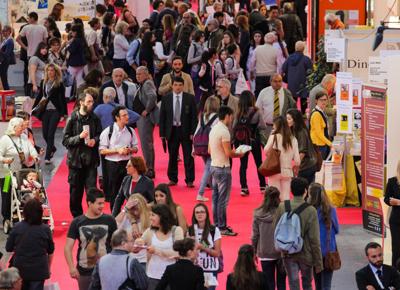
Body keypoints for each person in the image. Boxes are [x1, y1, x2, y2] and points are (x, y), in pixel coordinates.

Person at [275, 177, 323, 290]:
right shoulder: (311, 210)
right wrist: (318, 262)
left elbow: (276, 229)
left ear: (291, 190)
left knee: (293, 283)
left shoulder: (282, 206)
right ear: (306, 191)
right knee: (307, 284)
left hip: (288, 252)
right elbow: (314, 239)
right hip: (306, 254)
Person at [64, 188, 117, 290]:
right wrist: (71, 267)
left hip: (106, 269)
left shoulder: (110, 220)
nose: (102, 206)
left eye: (103, 203)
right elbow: (67, 247)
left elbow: (116, 245)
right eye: (99, 203)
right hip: (84, 271)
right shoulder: (77, 222)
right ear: (89, 203)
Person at [62, 93, 102, 217]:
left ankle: (92, 215)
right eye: (89, 102)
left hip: (91, 161)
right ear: (81, 102)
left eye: (92, 102)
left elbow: (100, 135)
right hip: (75, 162)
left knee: (91, 191)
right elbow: (65, 140)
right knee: (75, 192)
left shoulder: (95, 118)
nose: (91, 104)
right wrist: (79, 137)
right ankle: (77, 217)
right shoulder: (72, 118)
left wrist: (94, 140)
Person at [209, 106, 244, 236]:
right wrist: (239, 153)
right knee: (223, 200)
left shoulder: (213, 129)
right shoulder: (224, 131)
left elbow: (209, 150)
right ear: (228, 116)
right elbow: (229, 152)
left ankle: (217, 224)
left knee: (215, 198)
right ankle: (222, 227)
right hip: (223, 168)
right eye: (231, 116)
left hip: (213, 165)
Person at [6, 199, 54, 290]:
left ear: (25, 212)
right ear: (40, 213)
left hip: (19, 270)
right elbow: (51, 251)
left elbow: (8, 248)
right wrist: (48, 267)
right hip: (39, 270)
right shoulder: (45, 229)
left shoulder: (17, 227)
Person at [159, 76, 198, 187]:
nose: (178, 87)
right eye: (175, 85)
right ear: (172, 85)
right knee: (172, 156)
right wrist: (162, 134)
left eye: (180, 85)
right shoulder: (166, 98)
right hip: (171, 131)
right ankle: (173, 178)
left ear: (183, 86)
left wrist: (193, 132)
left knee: (188, 156)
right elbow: (162, 117)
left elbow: (194, 117)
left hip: (186, 130)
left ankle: (190, 180)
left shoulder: (190, 98)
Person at [0, 118, 38, 225]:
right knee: (6, 194)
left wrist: (34, 155)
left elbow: (31, 148)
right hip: (6, 174)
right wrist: (4, 160)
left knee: (20, 193)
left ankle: (18, 214)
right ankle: (6, 217)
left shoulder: (24, 137)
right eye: (21, 126)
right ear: (14, 127)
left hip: (20, 172)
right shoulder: (5, 139)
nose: (23, 128)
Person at [99, 106, 139, 207]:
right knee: (114, 193)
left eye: (127, 114)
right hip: (113, 165)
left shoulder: (130, 131)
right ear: (117, 117)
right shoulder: (108, 131)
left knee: (129, 191)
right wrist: (117, 150)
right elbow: (102, 150)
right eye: (124, 115)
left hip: (128, 165)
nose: (127, 117)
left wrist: (129, 150)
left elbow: (136, 147)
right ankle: (114, 216)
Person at [141, 204, 184, 290]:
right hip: (152, 276)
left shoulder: (176, 230)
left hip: (171, 277)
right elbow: (140, 242)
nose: (150, 218)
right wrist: (138, 244)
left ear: (162, 216)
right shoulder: (150, 231)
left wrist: (156, 251)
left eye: (153, 215)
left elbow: (179, 253)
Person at [233, 90, 267, 196]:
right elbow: (263, 126)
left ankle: (244, 187)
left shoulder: (238, 113)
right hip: (254, 140)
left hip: (242, 142)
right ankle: (262, 186)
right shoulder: (257, 111)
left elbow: (234, 127)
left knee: (243, 165)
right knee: (258, 163)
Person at [252, 186, 286, 290]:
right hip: (281, 252)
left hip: (265, 252)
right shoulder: (284, 212)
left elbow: (255, 235)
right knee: (282, 283)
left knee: (268, 283)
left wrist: (254, 251)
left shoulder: (258, 213)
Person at [33, 63, 67, 164]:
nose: (50, 72)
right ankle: (52, 148)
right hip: (45, 111)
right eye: (48, 70)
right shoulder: (43, 82)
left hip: (56, 111)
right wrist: (33, 108)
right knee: (44, 134)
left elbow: (63, 99)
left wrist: (64, 113)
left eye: (52, 70)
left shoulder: (59, 83)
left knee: (50, 134)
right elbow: (40, 96)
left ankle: (47, 157)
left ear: (56, 72)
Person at [308, 183, 339, 290]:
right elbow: (337, 229)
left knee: (317, 283)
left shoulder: (308, 210)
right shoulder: (331, 209)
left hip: (313, 250)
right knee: (326, 284)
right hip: (328, 251)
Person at [264, 116, 300, 200]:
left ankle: (276, 213)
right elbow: (297, 161)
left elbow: (265, 150)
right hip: (287, 171)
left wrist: (270, 154)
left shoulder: (274, 136)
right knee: (286, 197)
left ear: (276, 125)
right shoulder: (293, 139)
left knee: (274, 196)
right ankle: (286, 212)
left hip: (274, 170)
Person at [188, 203, 222, 290]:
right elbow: (187, 253)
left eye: (202, 212)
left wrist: (203, 247)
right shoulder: (190, 230)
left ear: (206, 214)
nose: (199, 214)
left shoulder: (214, 230)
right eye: (197, 212)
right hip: (195, 268)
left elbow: (217, 253)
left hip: (210, 269)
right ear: (194, 215)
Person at [194, 96, 220, 201]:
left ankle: (214, 188)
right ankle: (200, 193)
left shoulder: (202, 116)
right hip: (211, 146)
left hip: (201, 146)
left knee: (208, 168)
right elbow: (216, 133)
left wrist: (193, 148)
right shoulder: (217, 118)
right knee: (208, 169)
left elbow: (196, 131)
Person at [256, 73, 296, 138]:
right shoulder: (263, 92)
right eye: (275, 81)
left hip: (282, 127)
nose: (278, 83)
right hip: (267, 127)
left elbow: (292, 110)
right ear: (270, 82)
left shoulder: (287, 93)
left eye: (280, 81)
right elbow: (258, 109)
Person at [135, 66, 159, 179]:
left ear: (146, 74)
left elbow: (153, 96)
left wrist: (147, 110)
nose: (138, 76)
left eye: (140, 74)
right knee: (145, 143)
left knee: (146, 144)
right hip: (142, 118)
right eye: (136, 74)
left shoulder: (147, 83)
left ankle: (149, 169)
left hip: (146, 118)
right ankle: (149, 167)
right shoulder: (143, 84)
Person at [115, 194, 150, 267]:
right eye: (132, 207)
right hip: (127, 259)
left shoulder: (149, 218)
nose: (134, 210)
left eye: (137, 207)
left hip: (144, 260)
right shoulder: (125, 217)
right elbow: (114, 225)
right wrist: (125, 209)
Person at [287, 109, 317, 184]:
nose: (287, 121)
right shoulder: (294, 130)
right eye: (286, 118)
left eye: (289, 119)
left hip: (307, 165)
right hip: (305, 164)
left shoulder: (301, 132)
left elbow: (303, 151)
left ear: (295, 120)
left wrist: (295, 165)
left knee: (303, 189)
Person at [282, 41, 313, 114]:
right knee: (303, 98)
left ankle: (293, 114)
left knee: (292, 99)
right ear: (303, 48)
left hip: (292, 82)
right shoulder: (306, 59)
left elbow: (283, 68)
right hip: (303, 82)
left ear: (295, 48)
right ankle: (303, 114)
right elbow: (310, 72)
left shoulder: (289, 58)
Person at [384, 160, 400, 271]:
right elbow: (386, 198)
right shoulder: (392, 181)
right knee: (396, 248)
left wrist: (398, 202)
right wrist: (391, 202)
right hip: (396, 220)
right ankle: (395, 273)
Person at [251, 33, 278, 98]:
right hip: (271, 76)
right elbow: (279, 65)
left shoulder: (257, 49)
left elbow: (252, 63)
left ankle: (259, 108)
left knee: (259, 95)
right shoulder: (276, 50)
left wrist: (251, 73)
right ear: (274, 40)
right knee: (271, 96)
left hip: (259, 75)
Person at [310, 92, 332, 160]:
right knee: (320, 167)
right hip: (318, 145)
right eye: (321, 100)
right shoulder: (316, 114)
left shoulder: (321, 111)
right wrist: (330, 143)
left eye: (325, 100)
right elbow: (319, 133)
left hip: (322, 144)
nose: (323, 102)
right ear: (316, 101)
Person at [0, 25, 16, 90]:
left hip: (4, 62)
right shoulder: (5, 40)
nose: (3, 33)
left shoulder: (10, 41)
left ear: (9, 32)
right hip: (3, 61)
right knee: (3, 79)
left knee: (4, 79)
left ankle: (7, 94)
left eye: (5, 31)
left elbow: (7, 54)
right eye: (2, 31)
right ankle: (6, 94)